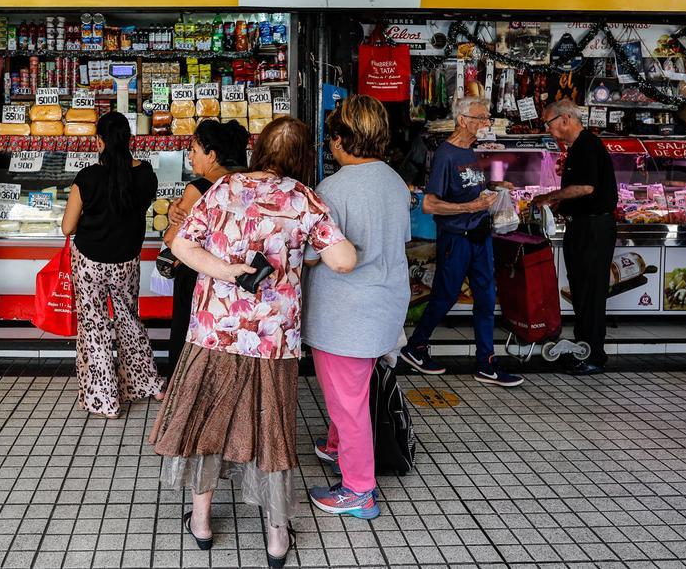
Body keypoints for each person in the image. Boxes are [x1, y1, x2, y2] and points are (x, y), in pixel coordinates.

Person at [149, 117, 356, 568]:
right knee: (272, 431)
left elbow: (182, 246)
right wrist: (303, 255)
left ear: (258, 148)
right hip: (273, 340)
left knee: (207, 423)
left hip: (214, 331)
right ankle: (277, 539)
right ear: (303, 157)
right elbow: (344, 259)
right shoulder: (304, 198)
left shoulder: (222, 189)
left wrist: (223, 270)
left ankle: (201, 524)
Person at [303, 96, 410, 520]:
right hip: (385, 303)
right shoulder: (394, 182)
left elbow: (317, 255)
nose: (330, 145)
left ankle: (359, 490)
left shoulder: (333, 189)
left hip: (346, 314)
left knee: (347, 402)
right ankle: (336, 446)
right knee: (355, 391)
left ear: (344, 139)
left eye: (332, 137)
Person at [399, 96, 523, 387]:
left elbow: (468, 187)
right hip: (457, 238)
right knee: (445, 295)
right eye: (481, 118)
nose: (486, 123)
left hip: (480, 235)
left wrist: (494, 186)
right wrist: (468, 209)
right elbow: (430, 205)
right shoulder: (445, 155)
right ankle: (415, 347)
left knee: (486, 298)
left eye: (487, 118)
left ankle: (486, 363)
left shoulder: (470, 151)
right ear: (463, 120)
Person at [61, 111, 165, 419]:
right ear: (128, 140)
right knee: (128, 320)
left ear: (100, 142)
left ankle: (105, 400)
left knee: (94, 328)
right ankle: (146, 384)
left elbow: (68, 227)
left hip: (89, 261)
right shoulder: (146, 174)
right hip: (127, 261)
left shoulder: (88, 178)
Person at [532, 100, 619, 376]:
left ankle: (594, 355)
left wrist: (550, 197)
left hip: (594, 229)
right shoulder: (577, 148)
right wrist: (561, 205)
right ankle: (584, 349)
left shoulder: (587, 145)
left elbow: (585, 187)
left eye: (549, 123)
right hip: (581, 227)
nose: (548, 128)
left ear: (565, 119)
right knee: (581, 292)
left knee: (591, 293)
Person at [161, 119, 250, 375]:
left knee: (191, 333)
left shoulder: (199, 188)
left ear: (211, 155)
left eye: (194, 150)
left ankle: (185, 388)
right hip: (236, 273)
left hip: (199, 273)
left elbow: (172, 240)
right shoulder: (246, 180)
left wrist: (172, 218)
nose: (190, 156)